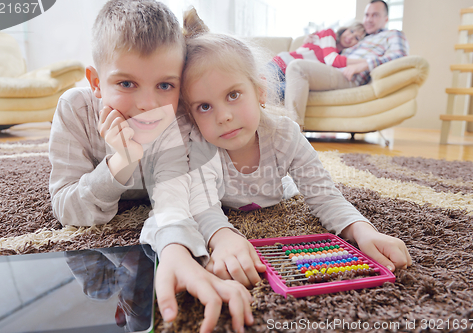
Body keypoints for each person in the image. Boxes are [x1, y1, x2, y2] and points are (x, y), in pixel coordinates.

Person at [48, 1, 253, 332]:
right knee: (96, 288)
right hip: (101, 266)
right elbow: (66, 207)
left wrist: (176, 249)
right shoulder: (75, 111)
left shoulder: (175, 116)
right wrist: (118, 164)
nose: (147, 105)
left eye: (165, 85)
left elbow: (177, 195)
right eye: (126, 84)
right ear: (96, 82)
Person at [180, 12, 412, 289]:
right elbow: (202, 205)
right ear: (192, 115)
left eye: (233, 95)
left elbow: (324, 194)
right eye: (204, 106)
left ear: (260, 91)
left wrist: (362, 230)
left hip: (279, 193)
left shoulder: (285, 135)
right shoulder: (200, 145)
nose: (224, 116)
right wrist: (222, 236)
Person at [285, 0, 409, 127]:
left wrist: (365, 64)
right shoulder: (362, 37)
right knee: (284, 82)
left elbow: (400, 56)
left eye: (375, 15)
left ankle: (292, 133)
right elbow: (332, 54)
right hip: (333, 70)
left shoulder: (393, 34)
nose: (369, 19)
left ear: (386, 19)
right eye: (367, 15)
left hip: (349, 77)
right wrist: (312, 40)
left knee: (297, 67)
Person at [269, 22, 366, 100]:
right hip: (282, 64)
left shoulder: (342, 57)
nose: (351, 37)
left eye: (357, 38)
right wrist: (365, 62)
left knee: (266, 93)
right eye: (351, 31)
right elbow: (332, 60)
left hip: (296, 77)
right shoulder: (329, 33)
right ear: (345, 29)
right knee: (257, 85)